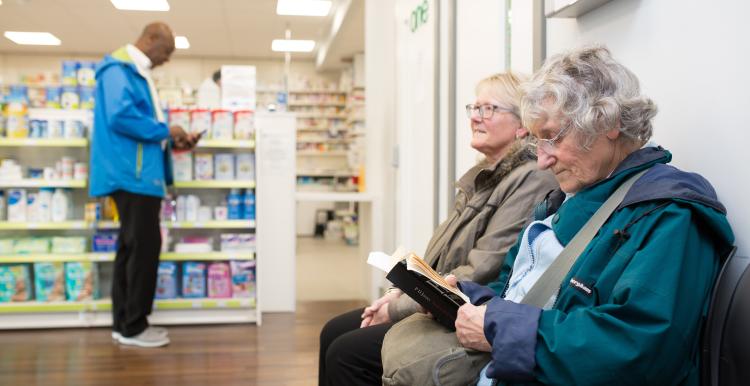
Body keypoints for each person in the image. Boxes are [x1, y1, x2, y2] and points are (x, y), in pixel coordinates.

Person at [420, 45, 735, 385]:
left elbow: (640, 349)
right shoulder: (565, 201)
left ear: (608, 122)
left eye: (552, 137)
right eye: (536, 143)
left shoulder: (669, 215)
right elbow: (518, 291)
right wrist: (466, 298)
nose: (542, 160)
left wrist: (498, 327)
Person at [319, 72, 559, 385]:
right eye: (474, 107)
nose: (476, 118)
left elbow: (483, 270)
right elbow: (438, 256)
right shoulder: (486, 176)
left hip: (462, 308)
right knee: (333, 330)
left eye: (489, 109)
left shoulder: (530, 178)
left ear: (522, 125)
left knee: (345, 352)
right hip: (431, 299)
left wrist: (397, 308)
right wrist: (397, 292)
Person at [90, 22, 199, 348]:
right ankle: (135, 327)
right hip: (132, 176)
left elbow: (139, 127)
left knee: (131, 248)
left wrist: (175, 139)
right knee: (143, 249)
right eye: (165, 51)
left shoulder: (134, 72)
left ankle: (124, 323)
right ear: (150, 39)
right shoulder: (118, 69)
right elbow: (121, 117)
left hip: (137, 175)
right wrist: (167, 129)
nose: (166, 59)